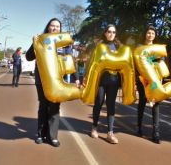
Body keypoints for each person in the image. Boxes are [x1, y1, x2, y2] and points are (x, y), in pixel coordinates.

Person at [26, 18, 80, 147]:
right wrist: (33, 43)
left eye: (57, 26)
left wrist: (77, 78)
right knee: (43, 106)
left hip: (57, 83)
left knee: (55, 108)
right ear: (48, 27)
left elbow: (71, 62)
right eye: (52, 25)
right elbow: (28, 57)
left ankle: (52, 136)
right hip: (42, 81)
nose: (55, 28)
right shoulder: (41, 40)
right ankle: (40, 134)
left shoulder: (65, 44)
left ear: (60, 29)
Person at [90, 24, 122, 144]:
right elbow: (93, 61)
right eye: (109, 31)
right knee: (98, 103)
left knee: (111, 105)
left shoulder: (118, 47)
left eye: (113, 32)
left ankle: (110, 132)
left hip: (113, 81)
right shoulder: (99, 46)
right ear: (105, 33)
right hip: (101, 81)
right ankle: (94, 127)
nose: (111, 34)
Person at [136, 26, 162, 144]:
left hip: (154, 80)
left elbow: (160, 64)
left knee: (155, 104)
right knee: (142, 101)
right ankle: (139, 127)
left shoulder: (157, 49)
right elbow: (136, 63)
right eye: (148, 33)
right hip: (142, 79)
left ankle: (155, 133)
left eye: (152, 33)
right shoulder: (139, 47)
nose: (150, 35)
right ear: (145, 34)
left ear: (154, 35)